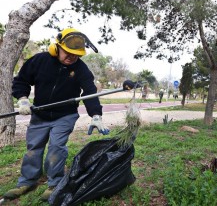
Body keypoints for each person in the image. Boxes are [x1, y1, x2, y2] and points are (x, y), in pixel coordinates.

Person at [4, 28, 137, 201]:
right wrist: (22, 98)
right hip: (40, 114)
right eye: (68, 53)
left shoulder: (80, 69)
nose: (72, 57)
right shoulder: (40, 61)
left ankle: (54, 184)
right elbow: (21, 80)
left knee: (56, 148)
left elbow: (90, 92)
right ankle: (27, 181)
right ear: (57, 47)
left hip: (64, 115)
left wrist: (96, 115)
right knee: (33, 148)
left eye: (76, 55)